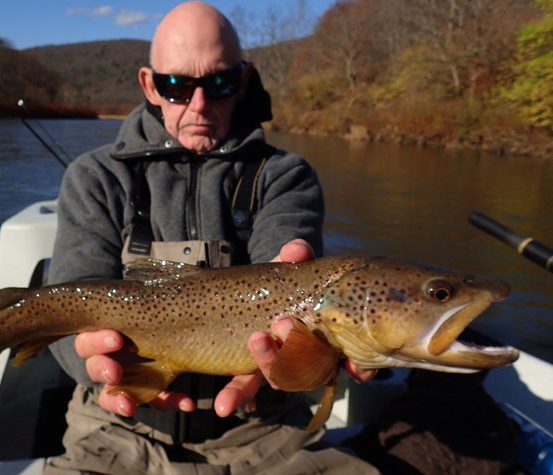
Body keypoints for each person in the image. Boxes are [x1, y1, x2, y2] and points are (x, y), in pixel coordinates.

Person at [44, 2, 378, 473]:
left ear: (242, 82)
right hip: (115, 427)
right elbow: (66, 316)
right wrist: (95, 366)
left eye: (218, 84)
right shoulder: (95, 177)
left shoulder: (284, 176)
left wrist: (292, 357)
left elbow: (285, 290)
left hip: (264, 429)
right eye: (177, 86)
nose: (199, 105)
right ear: (149, 86)